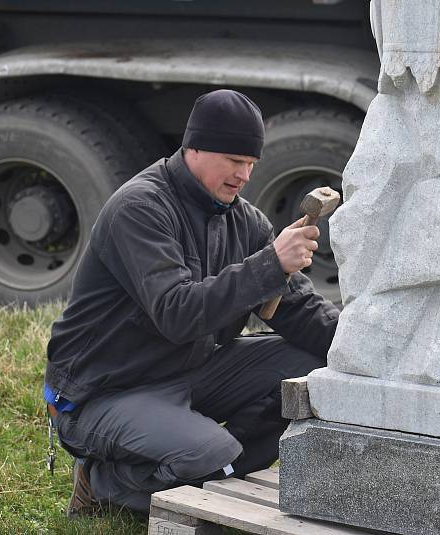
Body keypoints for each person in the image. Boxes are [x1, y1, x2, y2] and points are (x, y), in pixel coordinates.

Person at [43, 89, 339, 517]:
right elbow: (177, 313)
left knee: (309, 369)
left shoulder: (246, 221)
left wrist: (365, 351)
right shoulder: (140, 208)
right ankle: (102, 482)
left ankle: (221, 464)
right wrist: (271, 263)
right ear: (193, 147)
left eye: (251, 164)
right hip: (104, 391)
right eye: (234, 161)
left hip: (187, 370)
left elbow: (299, 311)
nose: (244, 175)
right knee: (211, 455)